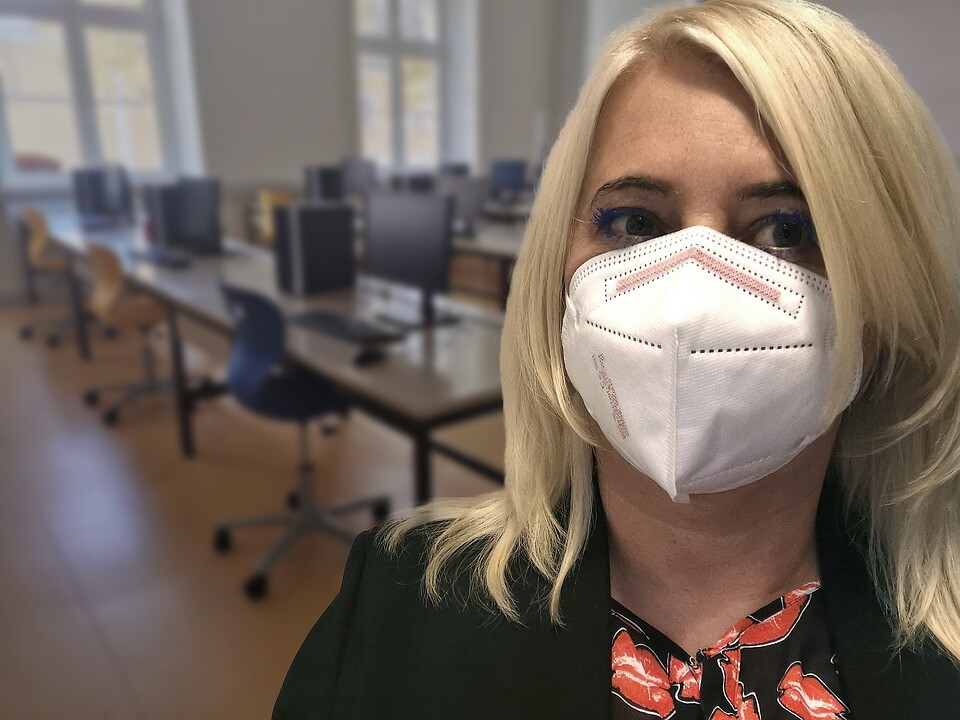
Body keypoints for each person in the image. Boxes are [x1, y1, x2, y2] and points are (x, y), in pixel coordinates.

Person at [273, 1, 960, 717]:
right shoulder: (395, 605)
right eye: (635, 222)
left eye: (787, 230)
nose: (689, 302)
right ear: (559, 270)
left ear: (886, 298)